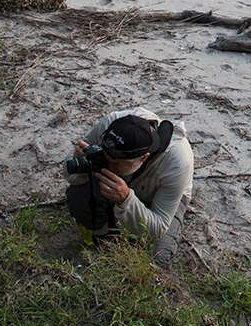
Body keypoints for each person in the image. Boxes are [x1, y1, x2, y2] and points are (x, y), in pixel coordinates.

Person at [63, 107, 193, 267]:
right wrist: (80, 161)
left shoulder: (177, 161)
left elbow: (159, 225)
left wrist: (126, 199)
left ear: (143, 158)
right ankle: (102, 239)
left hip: (155, 198)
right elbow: (70, 169)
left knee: (159, 258)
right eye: (105, 158)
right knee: (78, 196)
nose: (108, 166)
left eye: (115, 164)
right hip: (119, 184)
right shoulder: (111, 124)